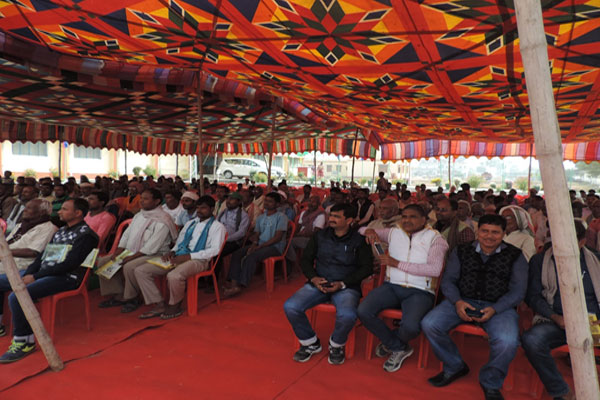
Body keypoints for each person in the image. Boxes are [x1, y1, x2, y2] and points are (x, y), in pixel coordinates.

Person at [421, 214, 528, 400]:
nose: (489, 236)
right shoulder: (462, 250)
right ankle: (454, 366)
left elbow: (518, 291)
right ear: (478, 231)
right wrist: (457, 302)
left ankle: (490, 381)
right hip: (462, 300)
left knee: (507, 341)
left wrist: (496, 308)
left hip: (499, 307)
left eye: (495, 232)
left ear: (504, 233)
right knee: (430, 324)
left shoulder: (516, 256)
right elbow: (448, 281)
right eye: (485, 231)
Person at [0, 198, 98, 362]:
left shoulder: (87, 235)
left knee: (17, 296)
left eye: (64, 209)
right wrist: (28, 274)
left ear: (78, 213)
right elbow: (41, 258)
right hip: (46, 273)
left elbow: (69, 265)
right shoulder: (61, 231)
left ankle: (24, 341)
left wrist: (35, 277)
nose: (59, 212)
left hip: (67, 277)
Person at [358, 205, 448, 372]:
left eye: (412, 217)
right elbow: (361, 230)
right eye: (404, 216)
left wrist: (397, 264)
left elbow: (434, 270)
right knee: (363, 311)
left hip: (420, 291)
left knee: (411, 327)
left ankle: (391, 342)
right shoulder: (394, 232)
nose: (406, 220)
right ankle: (398, 346)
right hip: (392, 285)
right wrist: (369, 231)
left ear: (424, 220)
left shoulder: (436, 239)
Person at [283, 203, 373, 365]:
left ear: (349, 220)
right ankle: (310, 342)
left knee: (348, 315)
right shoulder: (320, 236)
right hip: (320, 282)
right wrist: (313, 278)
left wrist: (343, 283)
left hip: (346, 286)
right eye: (331, 215)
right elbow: (306, 260)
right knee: (291, 306)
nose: (331, 219)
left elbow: (366, 268)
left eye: (337, 216)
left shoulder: (359, 241)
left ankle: (336, 344)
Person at [521, 220, 593, 400]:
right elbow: (533, 297)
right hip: (558, 322)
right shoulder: (540, 261)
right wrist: (555, 317)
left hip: (594, 321)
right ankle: (561, 391)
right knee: (532, 340)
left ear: (582, 242)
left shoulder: (595, 261)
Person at [129, 196, 226, 319]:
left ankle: (175, 305)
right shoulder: (191, 223)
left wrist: (189, 256)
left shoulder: (217, 227)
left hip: (199, 260)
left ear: (212, 209)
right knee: (141, 270)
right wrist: (172, 251)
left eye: (203, 208)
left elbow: (214, 250)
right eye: (198, 208)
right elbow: (180, 242)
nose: (199, 211)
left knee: (174, 276)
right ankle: (158, 303)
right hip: (180, 255)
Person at [97, 189, 177, 312]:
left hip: (155, 253)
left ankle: (132, 297)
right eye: (141, 198)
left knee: (129, 266)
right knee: (104, 261)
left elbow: (152, 245)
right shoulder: (139, 215)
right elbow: (127, 234)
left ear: (157, 201)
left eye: (146, 199)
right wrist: (119, 250)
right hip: (133, 251)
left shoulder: (163, 219)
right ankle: (119, 293)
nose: (142, 201)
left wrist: (132, 257)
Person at [223, 192, 288, 298]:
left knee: (251, 257)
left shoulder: (281, 217)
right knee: (237, 254)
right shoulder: (261, 217)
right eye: (266, 201)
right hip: (260, 244)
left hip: (275, 247)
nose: (266, 203)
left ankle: (241, 284)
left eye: (270, 201)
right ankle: (234, 284)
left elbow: (278, 237)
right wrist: (254, 244)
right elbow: (257, 234)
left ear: (277, 204)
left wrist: (259, 247)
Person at [0, 199, 57, 273]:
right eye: (25, 207)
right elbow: (7, 242)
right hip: (5, 259)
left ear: (42, 212)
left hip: (20, 265)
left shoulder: (48, 228)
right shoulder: (21, 225)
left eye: (29, 208)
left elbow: (33, 252)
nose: (24, 210)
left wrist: (5, 252)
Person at [215, 192, 250, 277]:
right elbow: (215, 225)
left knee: (217, 253)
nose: (228, 201)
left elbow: (241, 233)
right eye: (227, 198)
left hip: (233, 242)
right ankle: (202, 277)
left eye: (231, 199)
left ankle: (212, 280)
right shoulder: (222, 212)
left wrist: (226, 239)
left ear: (239, 202)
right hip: (219, 239)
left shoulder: (243, 215)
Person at [286, 195, 326, 270]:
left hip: (311, 239)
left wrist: (299, 235)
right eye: (310, 201)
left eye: (314, 202)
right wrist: (294, 235)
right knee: (286, 240)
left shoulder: (320, 215)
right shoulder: (304, 213)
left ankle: (294, 264)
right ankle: (291, 263)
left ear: (318, 204)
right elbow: (298, 226)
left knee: (289, 243)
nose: (311, 203)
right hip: (301, 236)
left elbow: (315, 233)